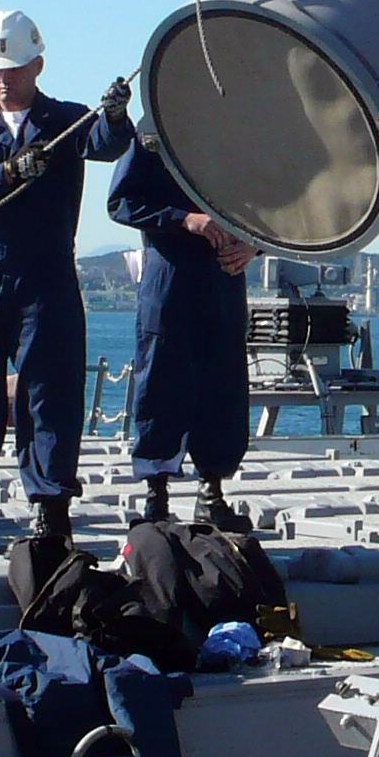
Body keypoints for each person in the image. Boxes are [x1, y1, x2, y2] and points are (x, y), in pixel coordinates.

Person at [0, 10, 134, 556]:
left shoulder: (64, 120)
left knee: (51, 393)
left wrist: (114, 115)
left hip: (46, 272)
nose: (3, 78)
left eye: (13, 68)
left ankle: (50, 514)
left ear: (37, 65)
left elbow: (106, 143)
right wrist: (10, 173)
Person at [105, 135, 256, 528]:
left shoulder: (247, 134)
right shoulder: (151, 135)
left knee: (223, 382)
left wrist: (255, 247)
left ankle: (212, 490)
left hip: (224, 276)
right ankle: (156, 494)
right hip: (168, 275)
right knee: (160, 382)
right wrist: (183, 219)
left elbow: (281, 205)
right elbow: (121, 202)